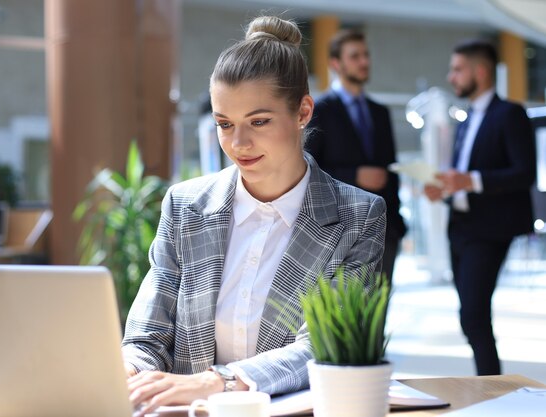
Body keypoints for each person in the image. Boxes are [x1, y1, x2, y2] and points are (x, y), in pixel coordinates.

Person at [121, 16, 387, 416]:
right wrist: (128, 373)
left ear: (302, 112)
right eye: (224, 124)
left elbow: (321, 347)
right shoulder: (185, 206)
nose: (238, 143)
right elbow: (148, 335)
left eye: (258, 121)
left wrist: (220, 382)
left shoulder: (358, 216)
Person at [424, 39, 536, 375]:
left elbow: (524, 172)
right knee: (470, 316)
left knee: (473, 314)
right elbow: (463, 176)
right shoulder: (467, 118)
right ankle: (489, 383)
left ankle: (491, 387)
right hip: (460, 226)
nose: (451, 76)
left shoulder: (510, 114)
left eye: (458, 69)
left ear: (481, 71)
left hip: (490, 229)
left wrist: (469, 181)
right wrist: (443, 189)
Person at [306, 30, 406, 285]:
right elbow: (307, 168)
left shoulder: (380, 112)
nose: (364, 62)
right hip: (339, 231)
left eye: (365, 55)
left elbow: (389, 168)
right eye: (355, 56)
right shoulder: (319, 110)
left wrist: (397, 225)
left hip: (385, 230)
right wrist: (354, 175)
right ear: (336, 64)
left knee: (377, 317)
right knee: (345, 318)